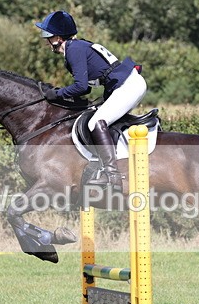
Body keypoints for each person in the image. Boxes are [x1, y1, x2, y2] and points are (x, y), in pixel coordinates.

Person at [35, 10, 147, 186]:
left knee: (96, 123)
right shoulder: (77, 46)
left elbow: (81, 86)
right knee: (98, 117)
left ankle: (112, 175)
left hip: (128, 85)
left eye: (48, 36)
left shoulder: (73, 49)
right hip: (124, 84)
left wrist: (56, 94)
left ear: (57, 38)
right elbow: (87, 87)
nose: (47, 41)